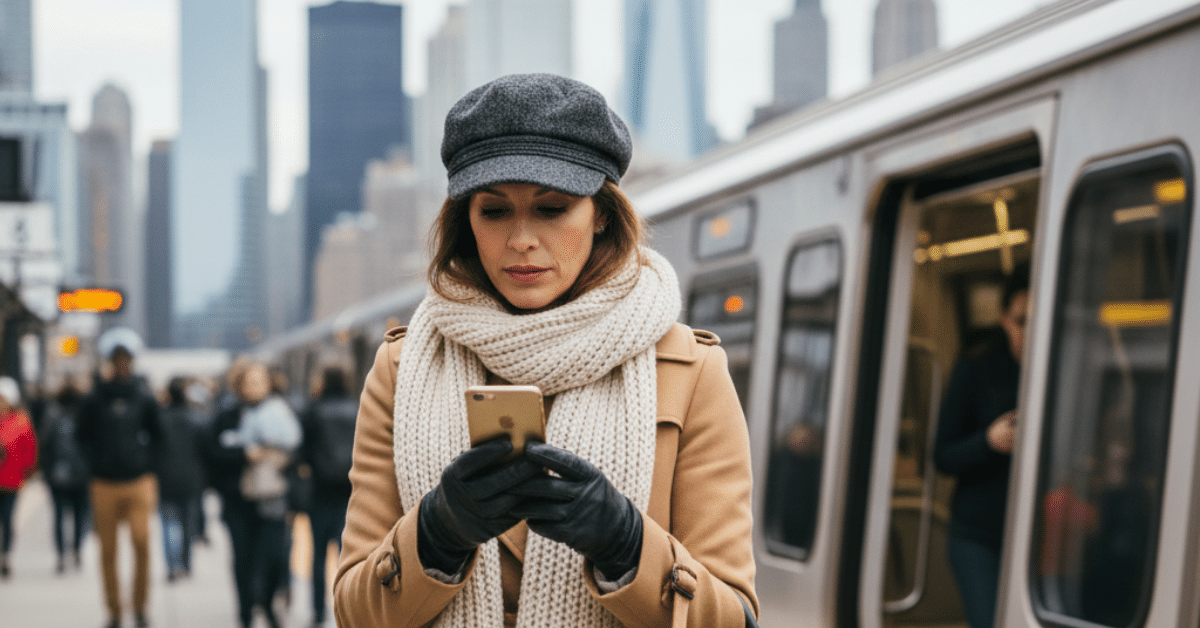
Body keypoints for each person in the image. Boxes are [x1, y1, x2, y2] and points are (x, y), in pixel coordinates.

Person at [332, 73, 758, 628]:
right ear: (467, 220)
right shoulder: (401, 369)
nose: (521, 240)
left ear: (601, 213)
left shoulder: (690, 371)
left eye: (552, 209)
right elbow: (353, 614)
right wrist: (436, 534)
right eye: (494, 210)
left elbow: (735, 619)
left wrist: (627, 546)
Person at [933, 272, 1030, 628]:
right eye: (1022, 322)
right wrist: (988, 442)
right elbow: (942, 455)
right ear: (1004, 319)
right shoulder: (976, 367)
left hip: (1042, 536)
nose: (1029, 333)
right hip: (978, 537)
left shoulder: (1062, 370)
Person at [77, 328, 163, 628]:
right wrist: (93, 465)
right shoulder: (95, 398)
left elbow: (158, 436)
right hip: (104, 483)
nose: (122, 364)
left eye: (127, 359)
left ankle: (140, 606)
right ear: (110, 362)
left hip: (138, 481)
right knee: (108, 550)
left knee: (142, 542)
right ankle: (114, 610)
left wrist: (148, 466)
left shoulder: (144, 397)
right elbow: (81, 436)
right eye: (117, 359)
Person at [206, 361, 302, 628]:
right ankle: (246, 611)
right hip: (237, 502)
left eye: (260, 381)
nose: (255, 387)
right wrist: (243, 455)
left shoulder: (282, 415)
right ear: (239, 386)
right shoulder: (226, 418)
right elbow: (212, 455)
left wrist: (279, 460)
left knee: (274, 557)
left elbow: (298, 453)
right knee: (243, 559)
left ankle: (268, 602)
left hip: (272, 500)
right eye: (249, 382)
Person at [299, 366, 358, 626]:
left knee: (318, 555)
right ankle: (348, 610)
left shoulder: (313, 410)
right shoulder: (357, 408)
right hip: (351, 495)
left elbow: (302, 451)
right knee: (350, 558)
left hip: (320, 493)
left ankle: (317, 611)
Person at [155, 377, 206, 581]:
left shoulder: (160, 420)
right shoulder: (195, 419)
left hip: (165, 478)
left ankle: (171, 564)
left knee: (168, 524)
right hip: (190, 479)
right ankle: (185, 563)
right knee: (187, 525)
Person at [40, 382, 91, 574]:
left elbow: (44, 444)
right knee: (80, 515)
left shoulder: (52, 415)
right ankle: (77, 549)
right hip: (82, 473)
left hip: (57, 474)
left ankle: (61, 554)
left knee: (59, 515)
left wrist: (46, 471)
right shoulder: (84, 416)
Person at [0, 376, 37, 580]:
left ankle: (5, 554)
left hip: (11, 480)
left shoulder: (20, 421)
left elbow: (29, 448)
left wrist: (28, 471)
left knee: (7, 519)